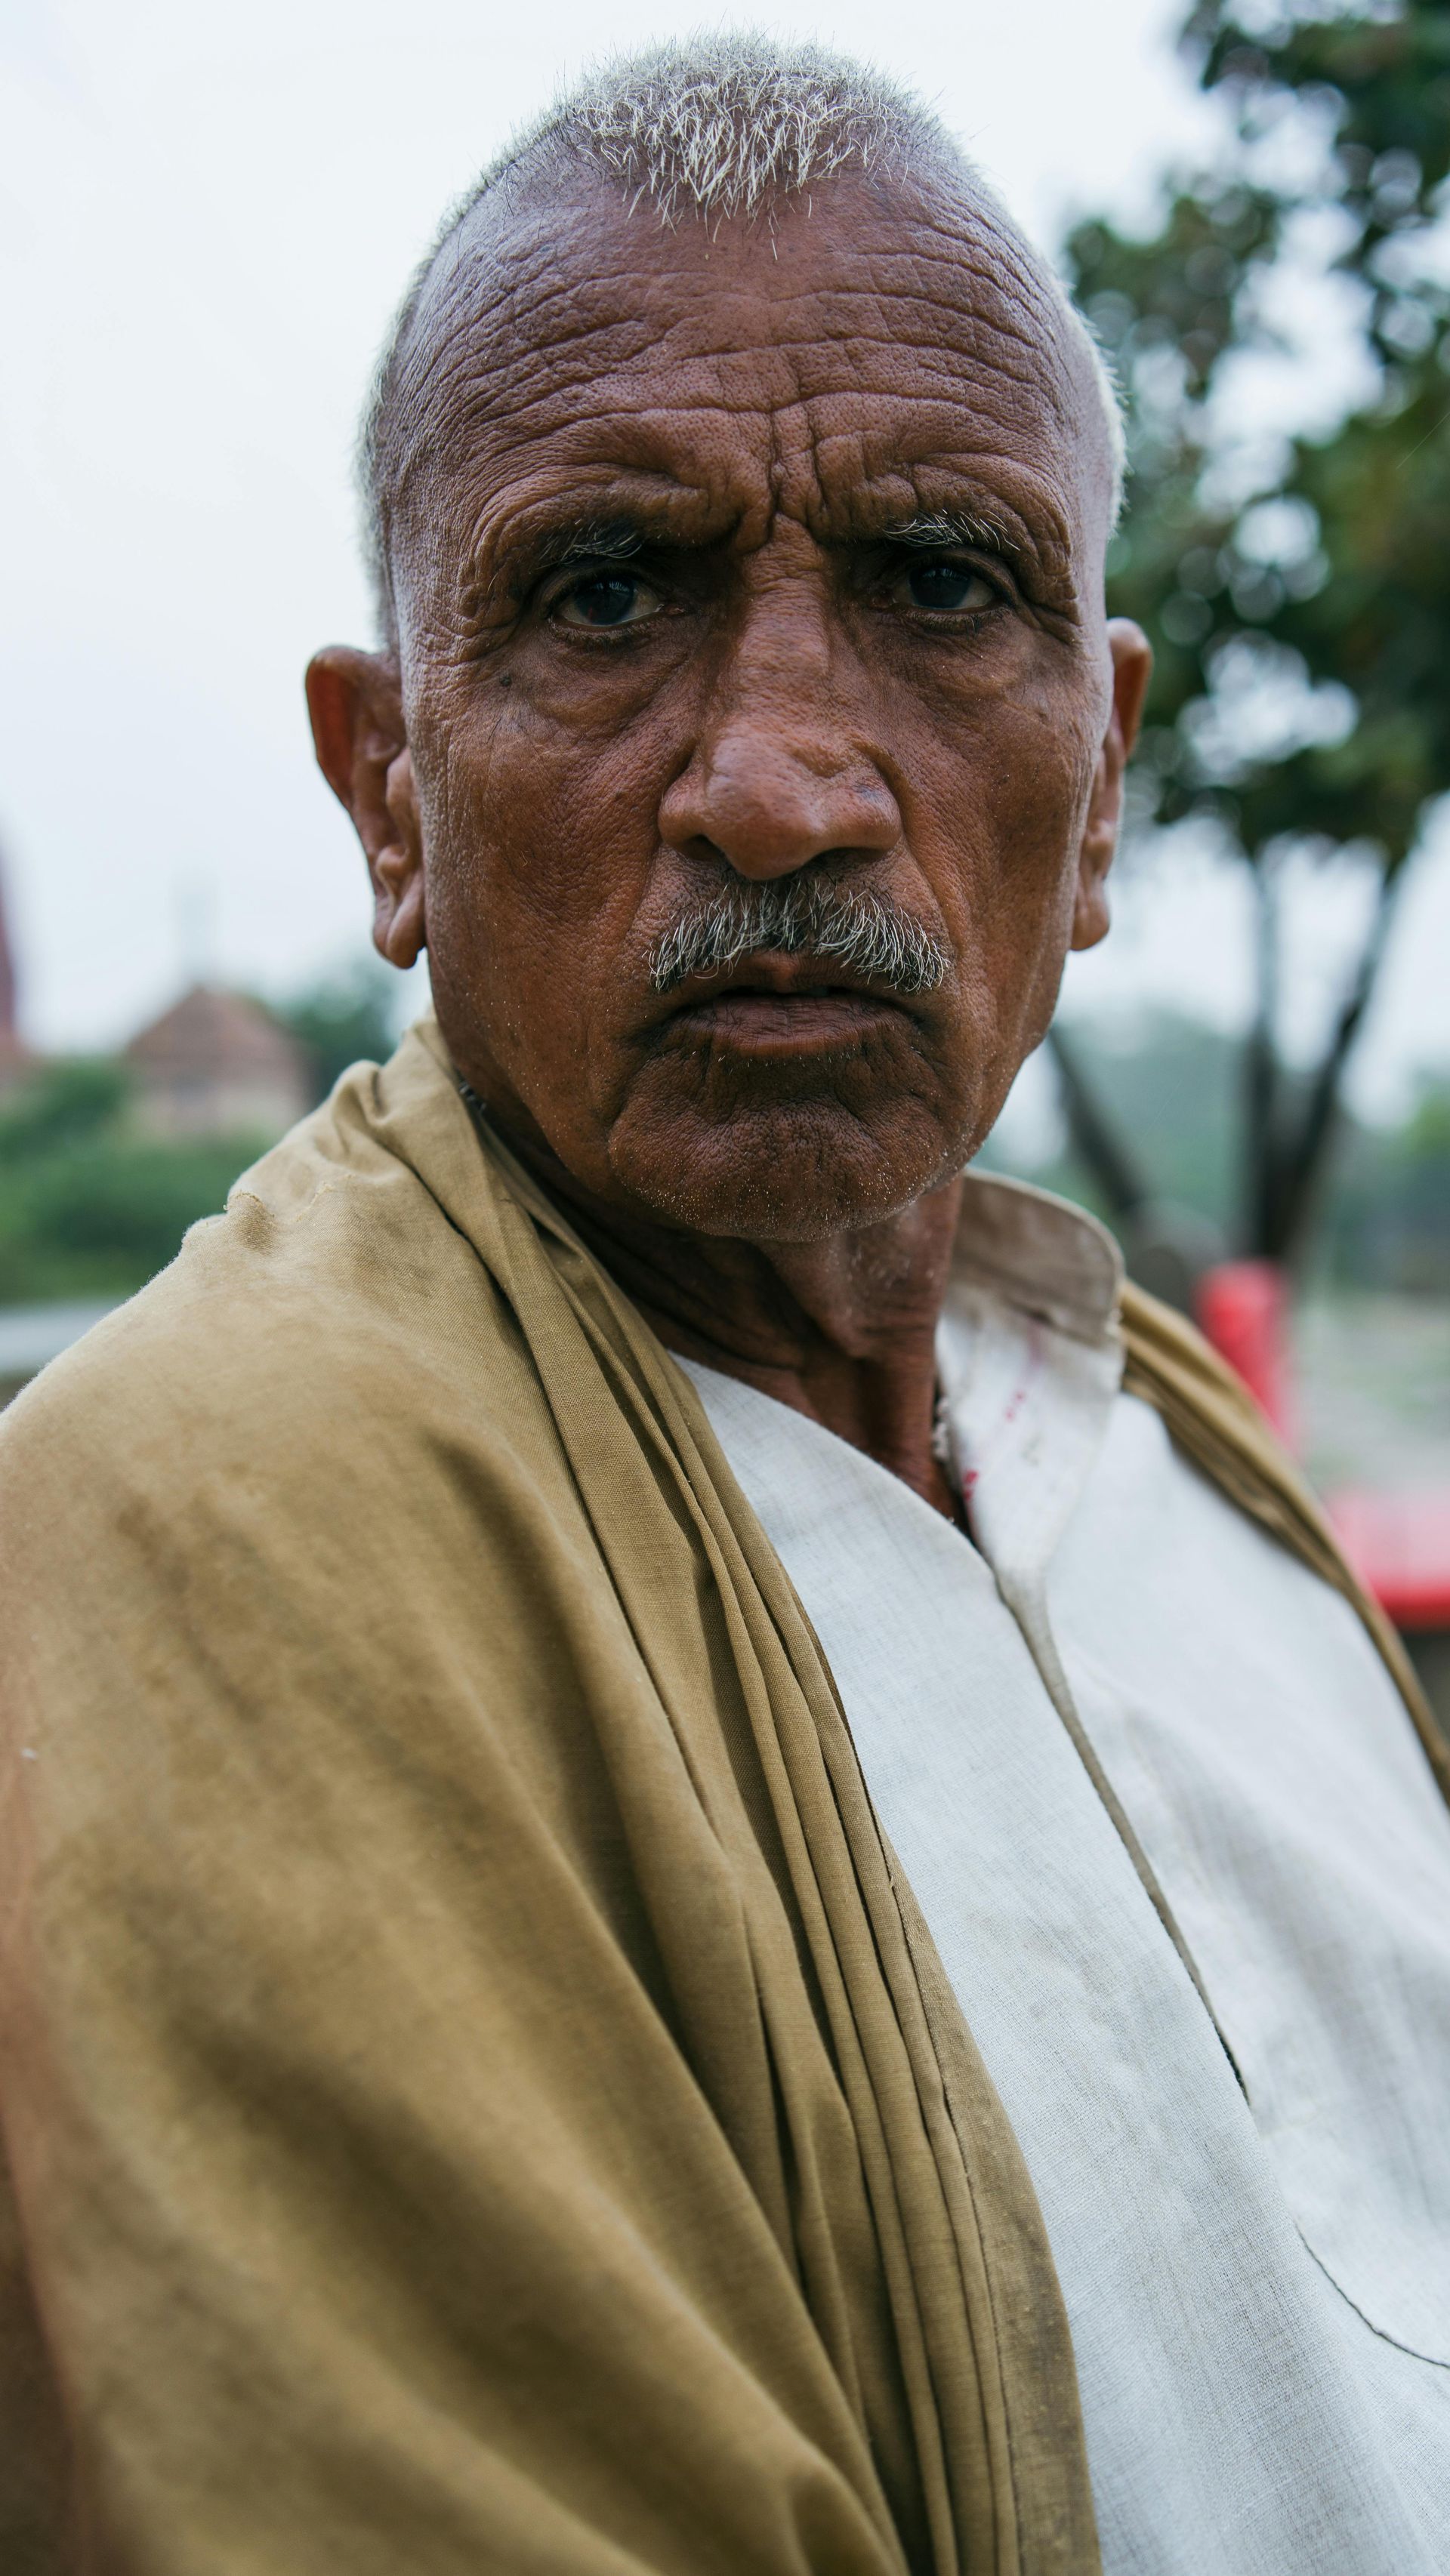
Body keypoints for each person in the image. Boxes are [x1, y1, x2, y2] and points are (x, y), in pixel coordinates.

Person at [3, 36, 1448, 2575]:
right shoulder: (184, 1542)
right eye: (602, 594)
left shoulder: (1168, 1445)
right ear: (388, 791)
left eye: (939, 584)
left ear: (1097, 785)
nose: (781, 775)